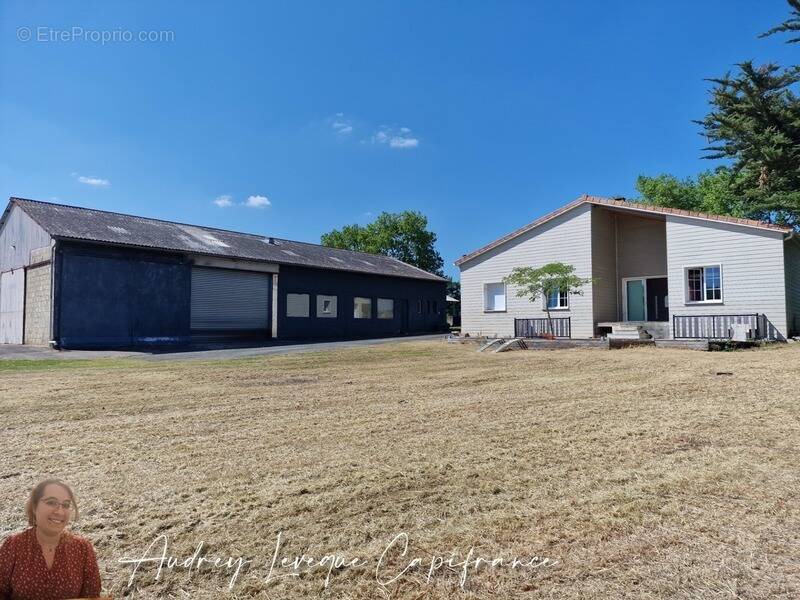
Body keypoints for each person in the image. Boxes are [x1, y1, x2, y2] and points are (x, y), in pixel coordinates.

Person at [0, 479, 102, 599]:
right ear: (34, 506)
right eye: (51, 502)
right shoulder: (13, 546)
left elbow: (91, 596)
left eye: (66, 505)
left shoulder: (82, 548)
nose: (59, 511)